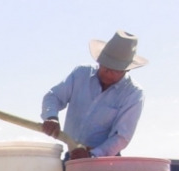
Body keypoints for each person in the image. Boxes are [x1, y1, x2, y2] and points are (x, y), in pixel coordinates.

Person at [41, 30, 148, 160]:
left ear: (127, 69)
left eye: (115, 70)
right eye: (105, 67)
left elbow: (121, 137)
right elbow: (53, 96)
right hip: (72, 156)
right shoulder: (81, 74)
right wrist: (51, 117)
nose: (108, 73)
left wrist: (92, 154)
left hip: (105, 161)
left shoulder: (133, 93)